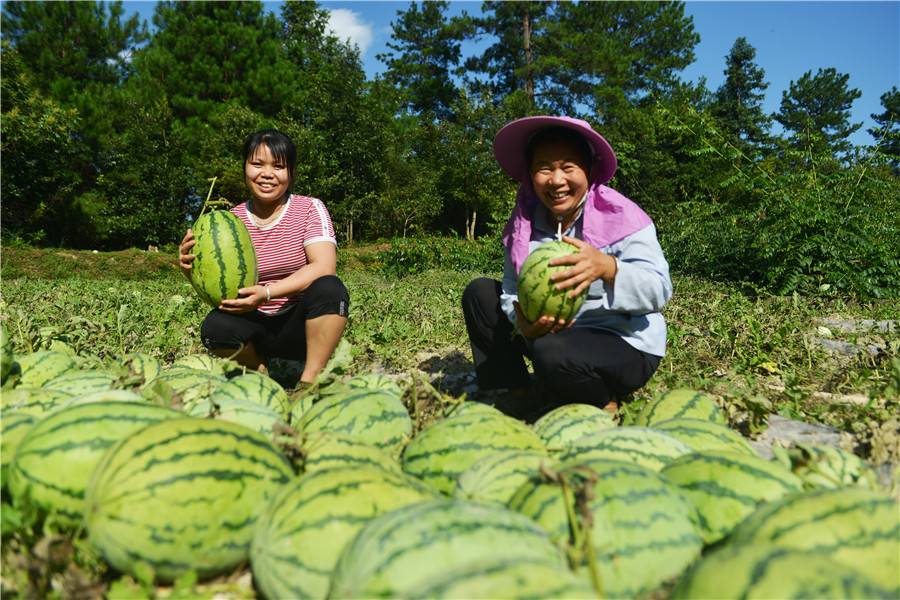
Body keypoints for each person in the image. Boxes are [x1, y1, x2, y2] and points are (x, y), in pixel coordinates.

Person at [462, 116, 672, 420]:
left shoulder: (623, 218)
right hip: (549, 338)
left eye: (568, 166)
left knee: (553, 351)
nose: (556, 180)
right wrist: (523, 324)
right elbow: (510, 290)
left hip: (622, 344)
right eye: (544, 168)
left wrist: (609, 268)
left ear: (588, 170)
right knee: (479, 293)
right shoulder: (524, 225)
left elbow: (659, 289)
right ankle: (519, 393)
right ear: (531, 175)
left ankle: (601, 401)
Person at [179, 129, 349, 386]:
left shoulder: (309, 208)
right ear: (245, 168)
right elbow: (219, 286)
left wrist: (267, 292)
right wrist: (190, 269)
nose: (267, 173)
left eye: (278, 166)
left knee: (330, 288)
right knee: (214, 328)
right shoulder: (230, 219)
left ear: (290, 173)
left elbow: (325, 266)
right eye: (257, 164)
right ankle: (260, 374)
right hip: (254, 324)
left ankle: (310, 381)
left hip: (300, 325)